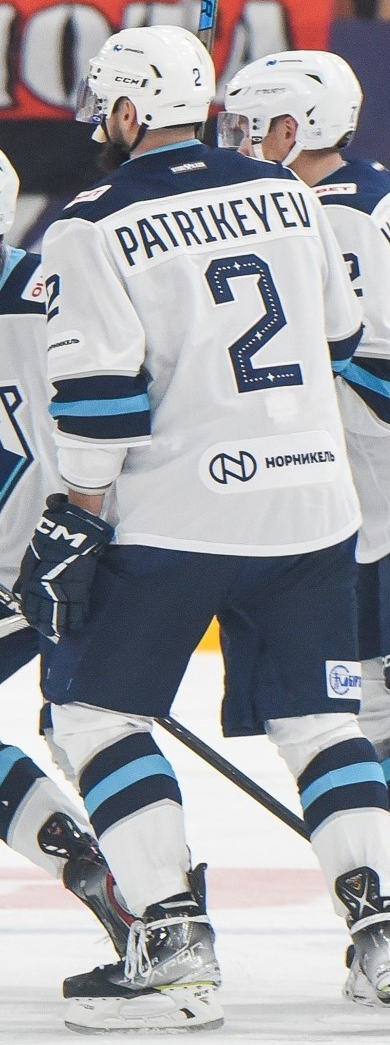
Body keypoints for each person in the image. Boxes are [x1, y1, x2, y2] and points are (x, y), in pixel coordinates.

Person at [15, 25, 390, 1034]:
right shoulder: (288, 193)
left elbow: (101, 401)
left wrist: (77, 516)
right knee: (322, 722)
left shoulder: (91, 221)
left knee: (95, 714)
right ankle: (383, 932)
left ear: (126, 111)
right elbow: (342, 339)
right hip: (314, 507)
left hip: (178, 513)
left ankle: (172, 943)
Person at [221, 49, 390, 1001]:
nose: (237, 144)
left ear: (298, 128)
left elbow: (384, 384)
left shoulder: (336, 212)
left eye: (250, 128)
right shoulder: (369, 195)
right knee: (376, 713)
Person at [0, 150, 134, 960]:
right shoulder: (64, 288)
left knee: (89, 727)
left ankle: (104, 869)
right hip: (87, 549)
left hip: (37, 568)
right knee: (90, 729)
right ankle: (138, 883)